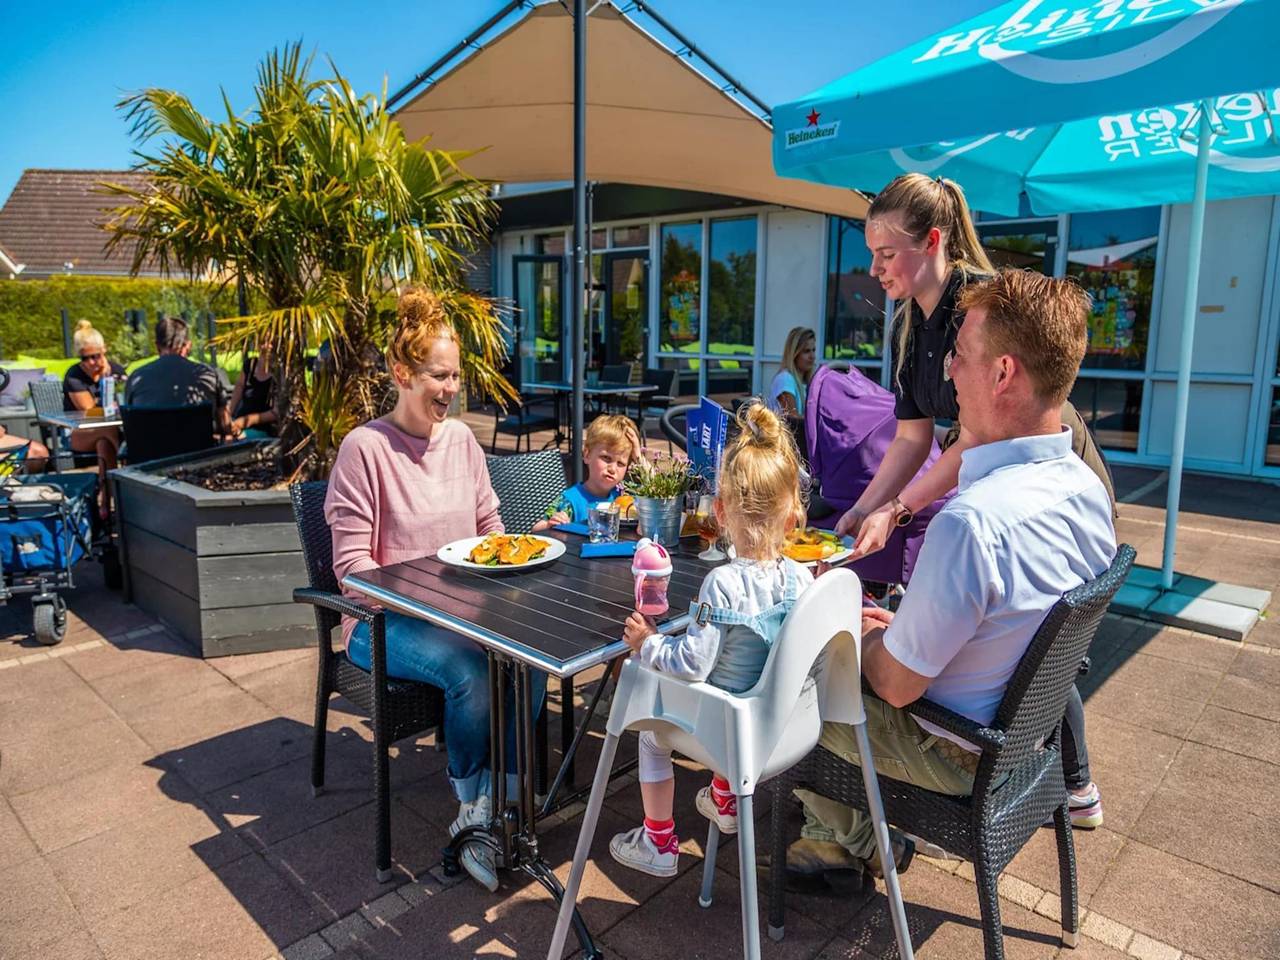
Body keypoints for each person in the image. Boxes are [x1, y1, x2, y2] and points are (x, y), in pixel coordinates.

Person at [786, 269, 1116, 886]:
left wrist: (854, 634)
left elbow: (897, 686)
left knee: (792, 674)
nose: (946, 372)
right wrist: (902, 628)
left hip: (957, 751)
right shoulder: (1084, 489)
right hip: (1022, 739)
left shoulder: (973, 524)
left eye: (960, 356)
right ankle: (850, 832)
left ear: (1003, 373)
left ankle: (844, 840)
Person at [834, 173, 1111, 828]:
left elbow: (979, 438)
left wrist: (899, 515)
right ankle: (1053, 771)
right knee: (1024, 625)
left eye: (886, 253)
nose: (874, 270)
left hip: (1027, 476)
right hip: (1044, 481)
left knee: (1025, 618)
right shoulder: (915, 328)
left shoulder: (977, 318)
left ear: (932, 243)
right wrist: (866, 510)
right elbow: (913, 438)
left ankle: (1072, 778)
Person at [325, 286, 545, 893]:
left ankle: (506, 801)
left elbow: (490, 529)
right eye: (437, 376)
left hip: (462, 613)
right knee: (470, 669)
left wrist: (505, 562)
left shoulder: (462, 442)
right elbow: (351, 570)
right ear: (401, 373)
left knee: (527, 661)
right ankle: (472, 812)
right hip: (378, 624)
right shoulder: (364, 449)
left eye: (455, 376)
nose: (449, 389)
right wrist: (427, 600)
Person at [609, 402, 814, 877]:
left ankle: (659, 842)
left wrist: (648, 643)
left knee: (651, 730)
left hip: (723, 728)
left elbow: (692, 665)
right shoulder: (800, 580)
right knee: (734, 679)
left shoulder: (721, 583)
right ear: (791, 517)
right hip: (773, 726)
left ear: (719, 512)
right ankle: (723, 799)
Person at [532, 414, 640, 531]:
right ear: (587, 455)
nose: (612, 469)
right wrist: (550, 524)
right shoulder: (570, 500)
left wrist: (639, 457)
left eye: (621, 463)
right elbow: (536, 529)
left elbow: (657, 494)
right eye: (606, 458)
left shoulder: (624, 498)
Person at [62, 320, 125, 516]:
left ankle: (105, 502)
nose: (91, 362)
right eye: (85, 358)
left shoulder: (117, 370)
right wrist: (106, 381)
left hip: (109, 435)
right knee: (106, 431)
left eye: (96, 356)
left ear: (104, 351)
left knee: (104, 444)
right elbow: (89, 411)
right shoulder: (74, 376)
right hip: (79, 432)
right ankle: (125, 478)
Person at [124, 316, 231, 432]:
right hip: (200, 448)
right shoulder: (207, 375)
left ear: (157, 346)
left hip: (150, 448)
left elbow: (130, 423)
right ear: (188, 345)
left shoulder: (136, 378)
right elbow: (225, 424)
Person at [225, 342, 277, 439]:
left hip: (263, 428)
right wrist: (229, 414)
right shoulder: (249, 365)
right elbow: (239, 387)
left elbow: (276, 412)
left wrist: (247, 421)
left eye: (271, 341)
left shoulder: (280, 372)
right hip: (239, 420)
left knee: (234, 438)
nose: (268, 345)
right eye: (264, 340)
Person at [767, 326, 817, 421]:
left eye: (813, 350)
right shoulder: (785, 379)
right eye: (806, 351)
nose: (812, 356)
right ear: (794, 353)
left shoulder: (806, 382)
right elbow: (793, 420)